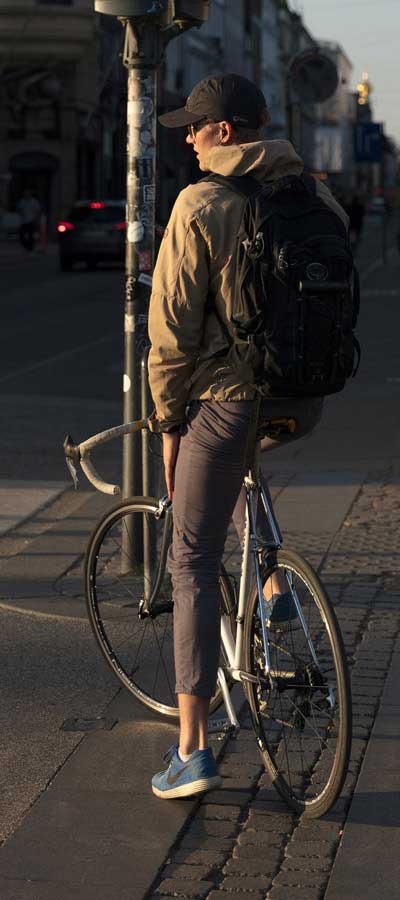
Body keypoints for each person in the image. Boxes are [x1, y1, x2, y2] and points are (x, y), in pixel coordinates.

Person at [148, 74, 348, 800]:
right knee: (231, 471)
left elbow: (170, 338)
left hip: (229, 401)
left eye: (195, 127)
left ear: (226, 132)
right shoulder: (316, 197)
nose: (187, 138)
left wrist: (169, 424)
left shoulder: (201, 203)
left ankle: (193, 750)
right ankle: (272, 587)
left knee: (192, 559)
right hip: (307, 397)